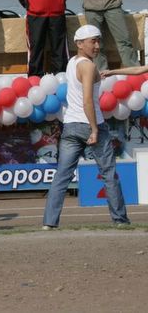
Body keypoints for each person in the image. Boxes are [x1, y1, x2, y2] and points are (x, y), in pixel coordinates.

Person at [42, 25, 130, 229]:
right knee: (109, 174)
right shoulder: (88, 66)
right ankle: (120, 220)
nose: (97, 45)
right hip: (91, 124)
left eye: (98, 41)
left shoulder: (72, 62)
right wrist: (94, 129)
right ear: (79, 44)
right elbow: (87, 100)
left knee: (61, 176)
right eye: (93, 41)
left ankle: (49, 223)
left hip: (71, 125)